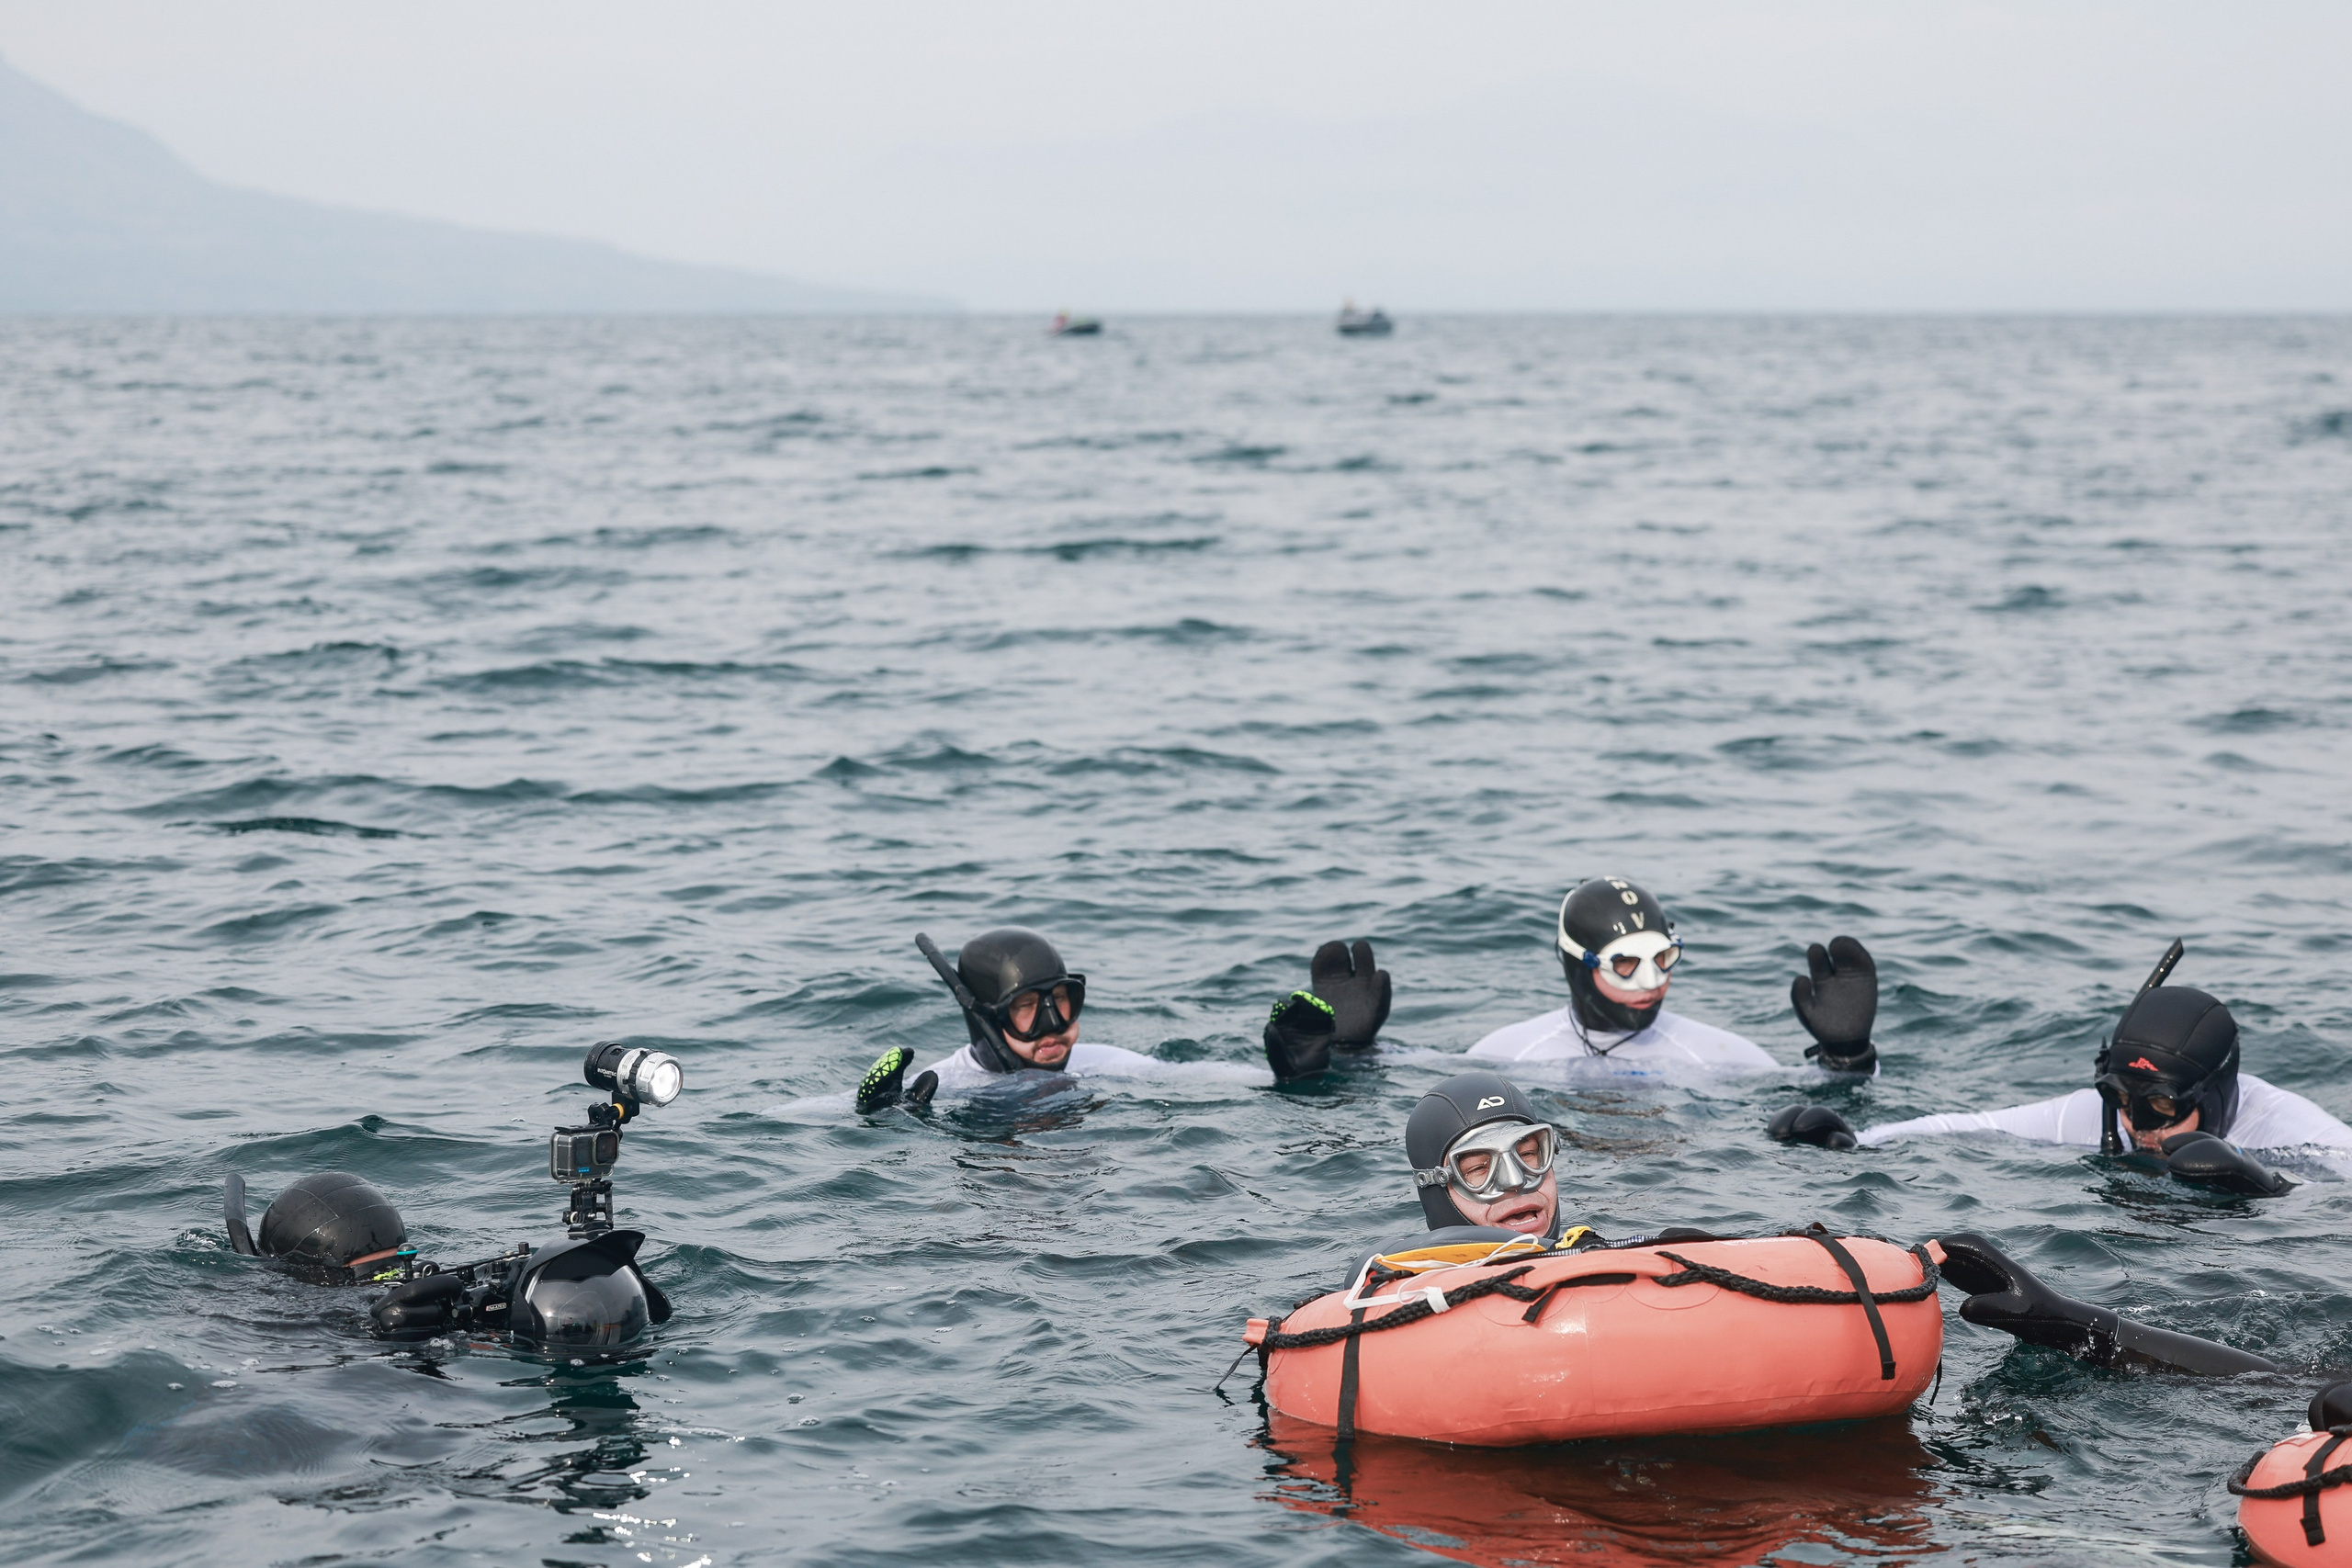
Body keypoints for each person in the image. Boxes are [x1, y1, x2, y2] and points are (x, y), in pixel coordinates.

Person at [1262, 875, 1880, 1082]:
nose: (1651, 980)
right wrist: (1349, 1058)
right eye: (1625, 963)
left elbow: (1814, 1110)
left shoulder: (1725, 1055)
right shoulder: (1507, 1054)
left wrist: (1847, 1057)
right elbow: (1427, 1088)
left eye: (1665, 957)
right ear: (1577, 966)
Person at [1769, 979, 2351, 1196]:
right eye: (2123, 1101)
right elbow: (1971, 1129)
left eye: (2163, 1107)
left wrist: (2263, 1185)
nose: (2138, 1127)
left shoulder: (2288, 1128)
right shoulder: (2099, 1117)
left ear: (2217, 1093)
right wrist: (1856, 1140)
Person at [854, 926, 1268, 1111]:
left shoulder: (1102, 1063)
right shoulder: (945, 1084)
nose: (1052, 1025)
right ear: (985, 1018)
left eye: (1062, 1002)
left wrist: (1313, 1069)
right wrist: (877, 1115)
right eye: (1026, 1008)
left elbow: (1209, 1078)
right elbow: (799, 1119)